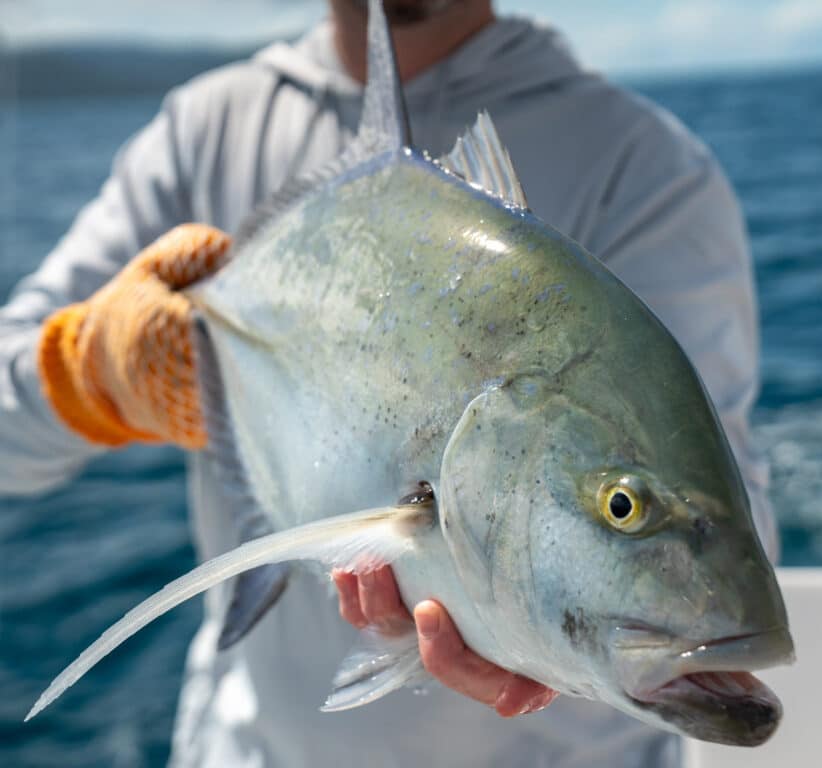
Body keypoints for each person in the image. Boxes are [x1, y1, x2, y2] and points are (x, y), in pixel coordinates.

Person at [0, 0, 776, 765]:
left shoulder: (646, 169)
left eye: (620, 504)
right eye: (620, 503)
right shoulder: (205, 130)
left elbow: (718, 521)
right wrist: (90, 372)